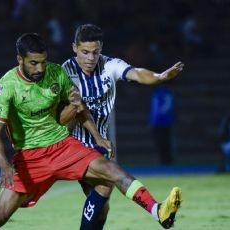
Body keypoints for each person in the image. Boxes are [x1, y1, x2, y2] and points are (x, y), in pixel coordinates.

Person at [0, 33, 182, 230]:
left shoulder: (56, 72)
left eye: (43, 61)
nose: (40, 68)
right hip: (29, 157)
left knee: (113, 172)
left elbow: (79, 107)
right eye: (33, 63)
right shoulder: (7, 86)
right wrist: (4, 165)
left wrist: (98, 137)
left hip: (63, 146)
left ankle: (158, 211)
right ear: (19, 59)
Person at [61, 24, 184, 229]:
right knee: (114, 174)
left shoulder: (110, 65)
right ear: (74, 47)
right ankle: (158, 211)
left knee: (102, 204)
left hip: (100, 146)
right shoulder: (64, 72)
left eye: (95, 52)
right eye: (85, 52)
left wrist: (159, 77)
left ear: (101, 48)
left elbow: (136, 73)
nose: (91, 58)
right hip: (73, 146)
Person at [149, 85, 175, 165]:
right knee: (165, 142)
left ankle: (164, 160)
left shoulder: (159, 93)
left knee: (162, 142)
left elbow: (157, 109)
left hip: (160, 122)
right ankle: (166, 159)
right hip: (165, 122)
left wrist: (153, 121)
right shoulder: (167, 92)